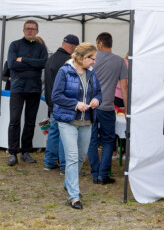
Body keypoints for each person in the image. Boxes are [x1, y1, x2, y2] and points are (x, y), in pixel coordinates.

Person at [52, 42, 102, 209]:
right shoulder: (64, 71)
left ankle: (69, 182)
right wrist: (75, 104)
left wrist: (96, 100)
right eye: (92, 59)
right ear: (82, 58)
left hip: (87, 121)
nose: (94, 62)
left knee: (81, 157)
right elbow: (56, 96)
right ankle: (74, 196)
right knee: (72, 157)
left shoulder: (91, 73)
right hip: (68, 121)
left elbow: (99, 93)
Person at [6, 20, 48, 166]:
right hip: (17, 88)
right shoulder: (15, 45)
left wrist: (23, 60)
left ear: (37, 31)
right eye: (27, 28)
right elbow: (11, 64)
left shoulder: (41, 48)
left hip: (34, 89)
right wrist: (33, 64)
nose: (30, 31)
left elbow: (44, 64)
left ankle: (25, 151)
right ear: (23, 30)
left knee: (30, 122)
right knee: (14, 120)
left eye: (33, 29)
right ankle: (13, 152)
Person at [87, 32, 128, 185]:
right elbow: (124, 87)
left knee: (91, 140)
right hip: (108, 107)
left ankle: (95, 172)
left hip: (90, 105)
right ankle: (103, 175)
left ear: (100, 44)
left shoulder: (92, 58)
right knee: (108, 141)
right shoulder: (120, 61)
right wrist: (126, 109)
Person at [43, 34, 79, 172]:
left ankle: (49, 162)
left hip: (52, 102)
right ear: (72, 46)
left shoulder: (51, 58)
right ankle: (65, 165)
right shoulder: (68, 61)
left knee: (54, 132)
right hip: (64, 102)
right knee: (66, 134)